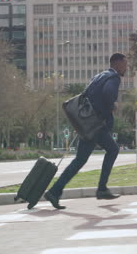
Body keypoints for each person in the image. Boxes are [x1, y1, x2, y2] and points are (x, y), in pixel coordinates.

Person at [44, 53, 127, 209]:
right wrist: (112, 106)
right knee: (113, 150)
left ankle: (55, 191)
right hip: (96, 125)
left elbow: (87, 95)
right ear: (117, 64)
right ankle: (101, 188)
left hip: (87, 122)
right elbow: (108, 94)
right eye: (125, 64)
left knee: (80, 160)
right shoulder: (114, 78)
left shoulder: (99, 76)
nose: (126, 68)